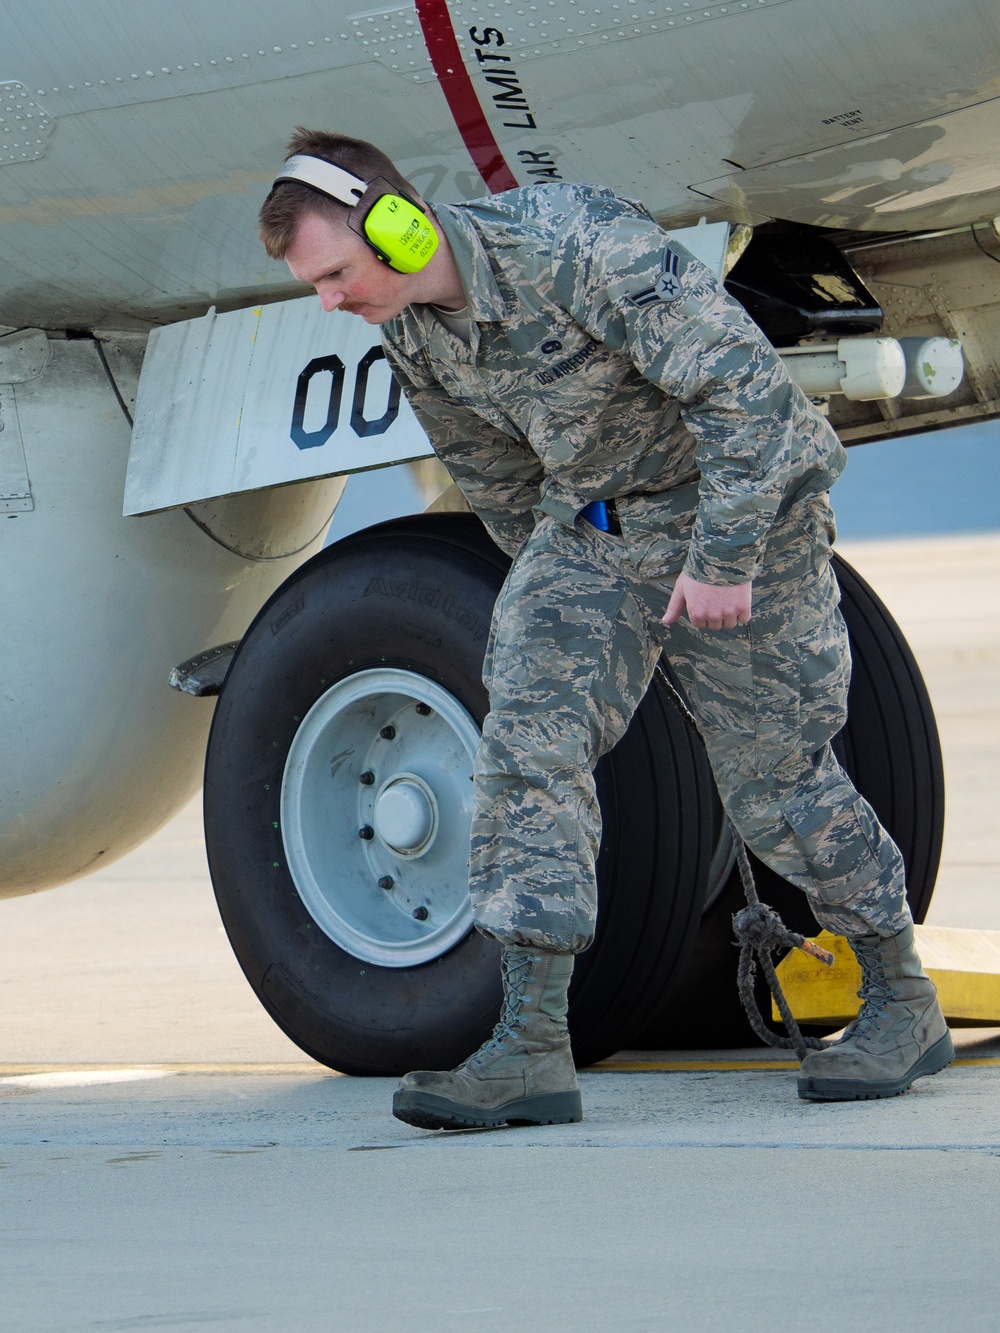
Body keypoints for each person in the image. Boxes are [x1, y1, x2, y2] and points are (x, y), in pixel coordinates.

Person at [258, 129, 954, 1129]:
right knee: (525, 744)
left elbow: (746, 397)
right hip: (596, 528)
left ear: (399, 226)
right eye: (311, 285)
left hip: (744, 510)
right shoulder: (409, 325)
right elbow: (496, 475)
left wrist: (720, 564)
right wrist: (563, 597)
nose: (327, 300)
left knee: (773, 783)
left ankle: (900, 996)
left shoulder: (575, 245)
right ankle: (531, 1046)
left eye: (332, 273)